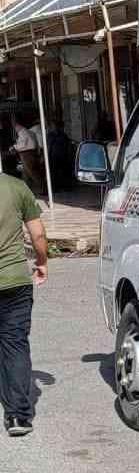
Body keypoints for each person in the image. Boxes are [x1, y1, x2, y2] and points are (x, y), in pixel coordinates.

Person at [0, 169, 47, 435]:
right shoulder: (17, 187)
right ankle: (17, 417)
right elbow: (37, 235)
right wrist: (42, 262)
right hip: (15, 280)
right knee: (15, 344)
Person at [10, 113, 44, 196]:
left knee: (32, 173)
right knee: (26, 174)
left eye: (14, 124)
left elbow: (24, 143)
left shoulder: (23, 132)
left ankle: (43, 188)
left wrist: (14, 147)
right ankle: (26, 189)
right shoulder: (28, 131)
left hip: (27, 154)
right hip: (29, 154)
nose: (14, 127)